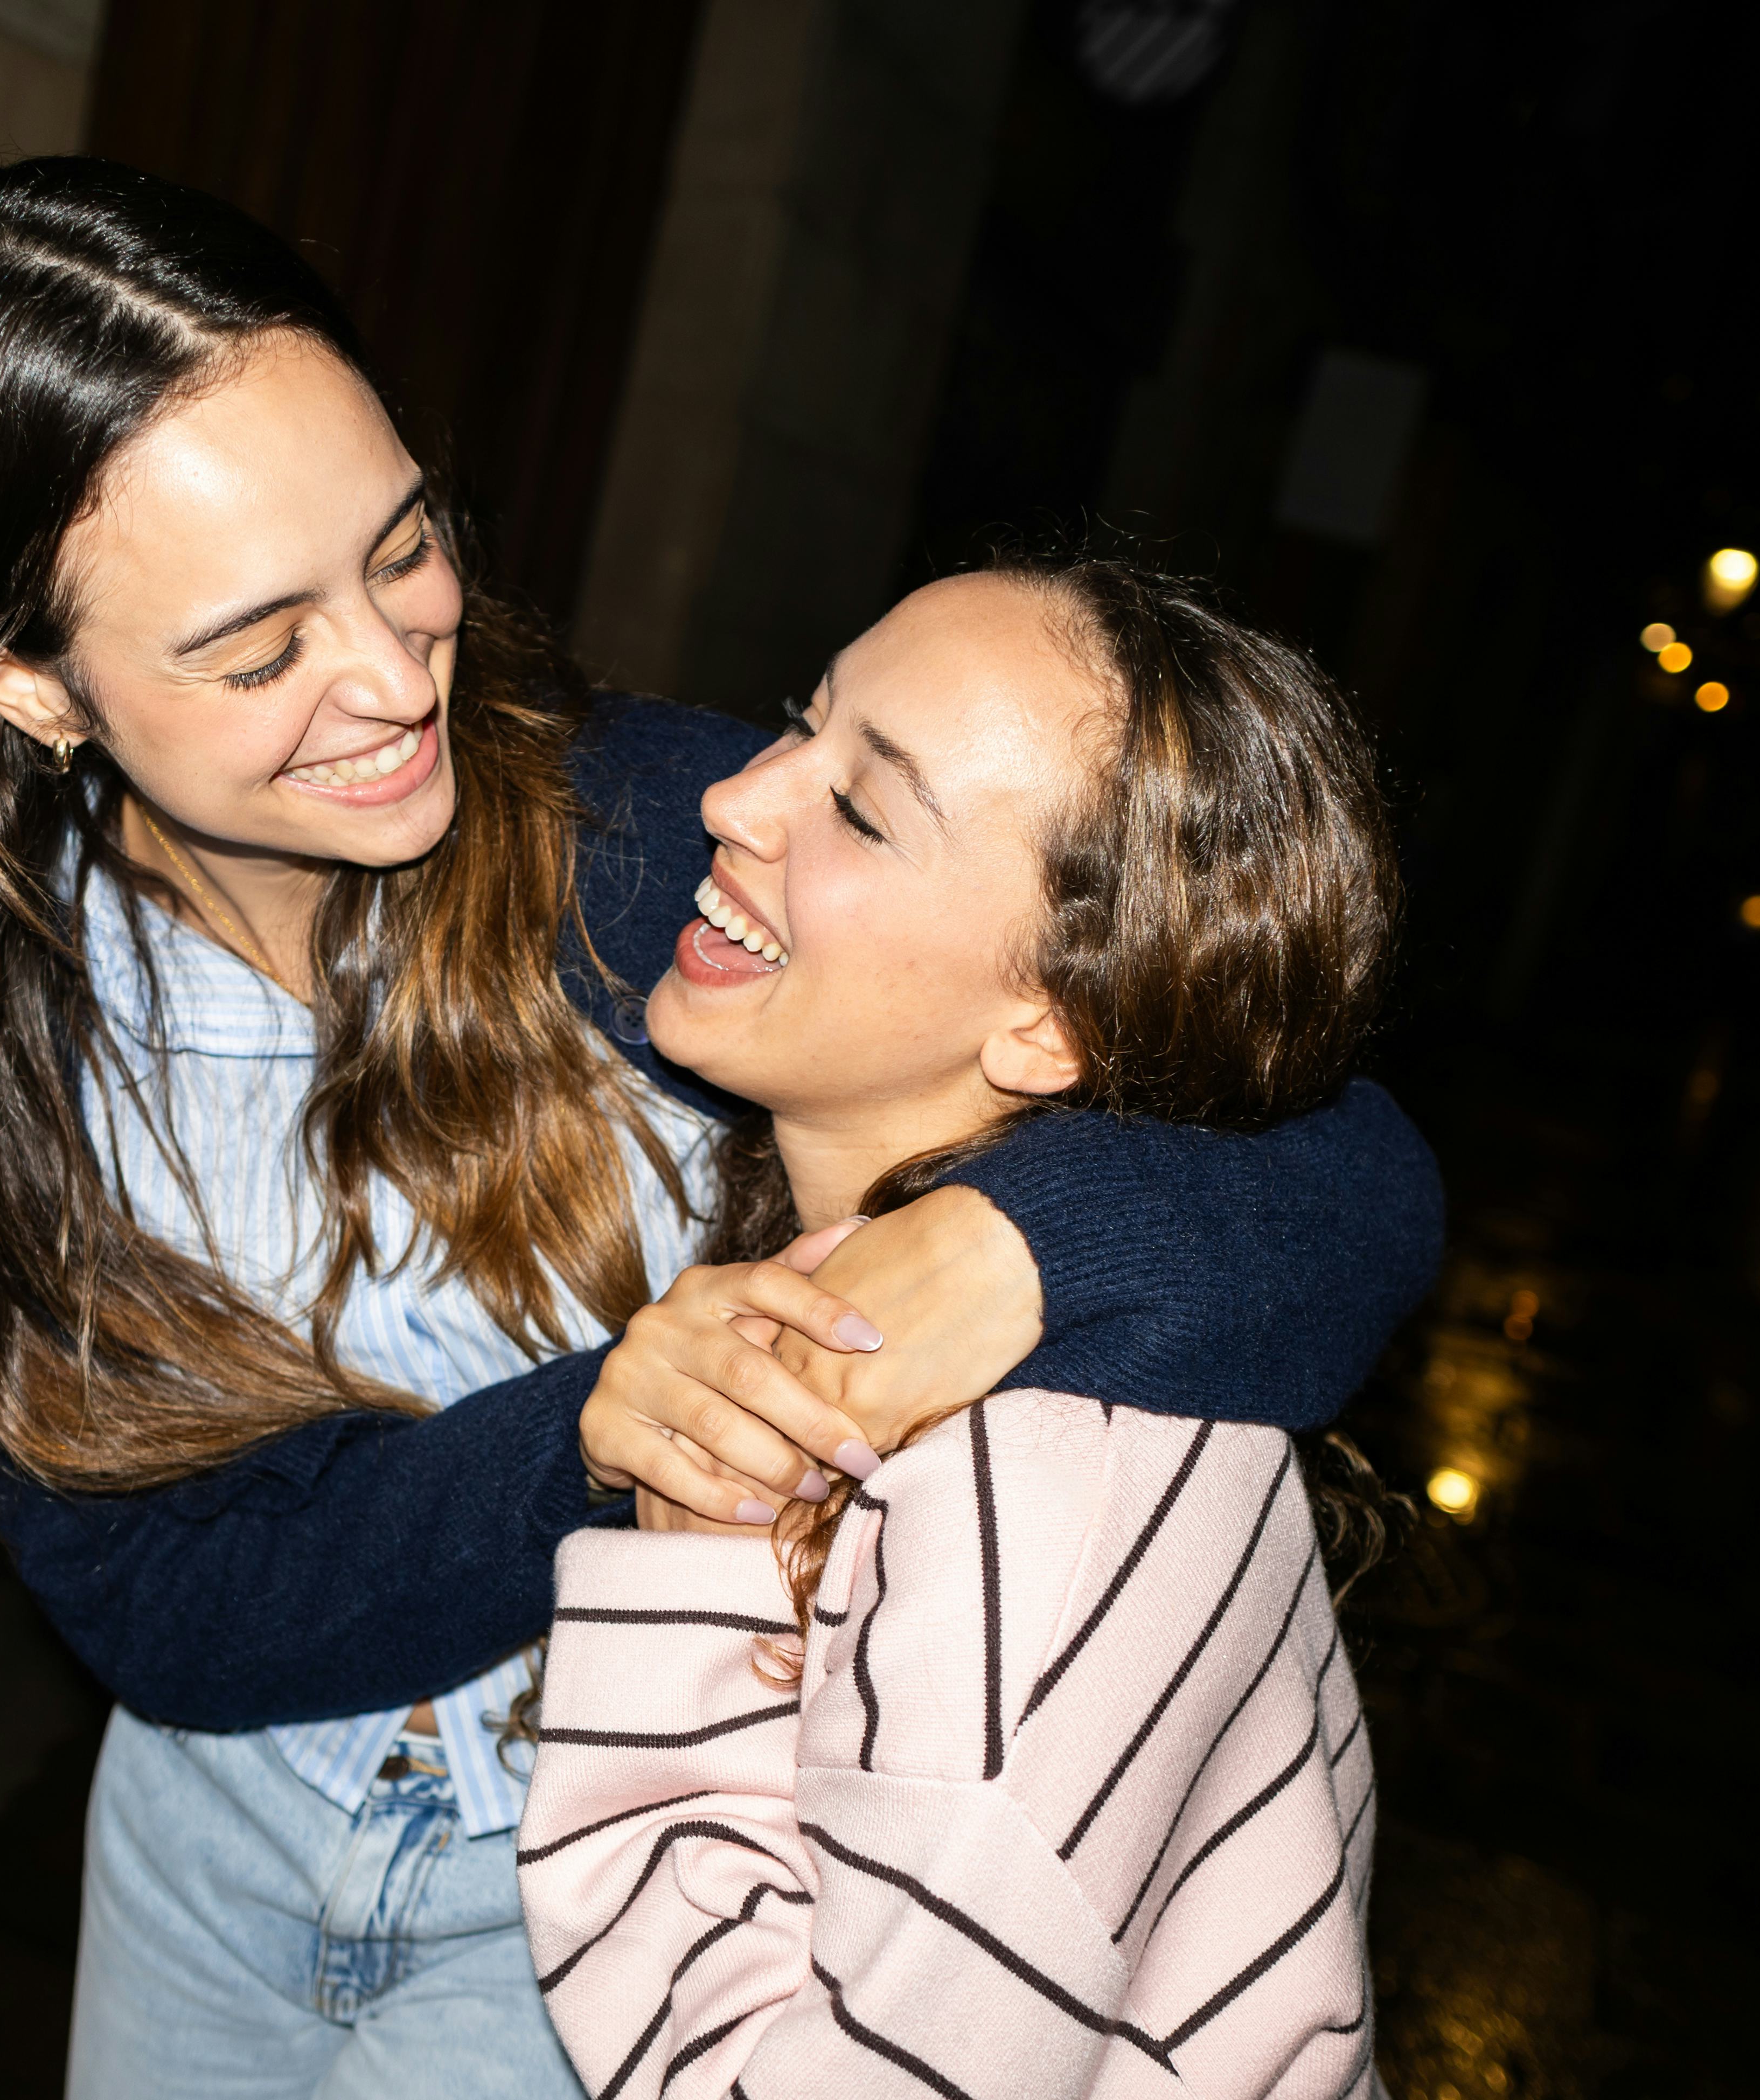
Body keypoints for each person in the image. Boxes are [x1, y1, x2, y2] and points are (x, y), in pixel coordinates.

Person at [0, 159, 1438, 2097]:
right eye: (256, 649)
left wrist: (1023, 1243)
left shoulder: (642, 835)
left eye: (402, 545)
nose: (396, 673)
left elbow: (1351, 1178)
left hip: (616, 1888)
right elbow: (175, 1610)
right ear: (29, 684)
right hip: (205, 1847)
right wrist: (599, 1430)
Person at [520, 559, 1399, 2098]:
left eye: (864, 809)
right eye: (805, 719)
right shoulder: (940, 1330)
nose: (735, 796)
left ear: (1048, 1024)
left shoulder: (1033, 1489)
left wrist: (688, 1554)